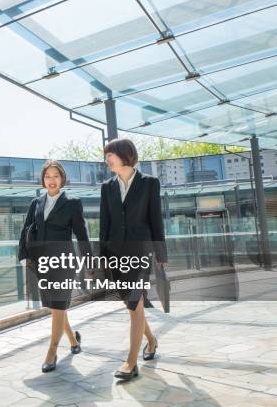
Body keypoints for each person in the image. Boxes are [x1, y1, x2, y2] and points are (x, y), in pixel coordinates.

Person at [99, 139, 167, 381]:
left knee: (134, 303)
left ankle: (131, 362)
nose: (107, 160)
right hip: (116, 253)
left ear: (124, 155)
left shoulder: (149, 183)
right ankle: (151, 340)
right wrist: (103, 257)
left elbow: (155, 218)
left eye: (110, 155)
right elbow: (104, 224)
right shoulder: (107, 187)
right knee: (131, 305)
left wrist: (161, 253)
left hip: (140, 252)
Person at [18, 159, 92, 373]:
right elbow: (25, 230)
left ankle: (52, 352)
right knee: (55, 307)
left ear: (62, 179)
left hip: (63, 262)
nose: (52, 180)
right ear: (43, 179)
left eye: (56, 176)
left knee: (58, 306)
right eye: (48, 176)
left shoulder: (72, 202)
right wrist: (24, 255)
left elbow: (81, 234)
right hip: (42, 262)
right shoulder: (36, 203)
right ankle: (74, 341)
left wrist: (89, 261)